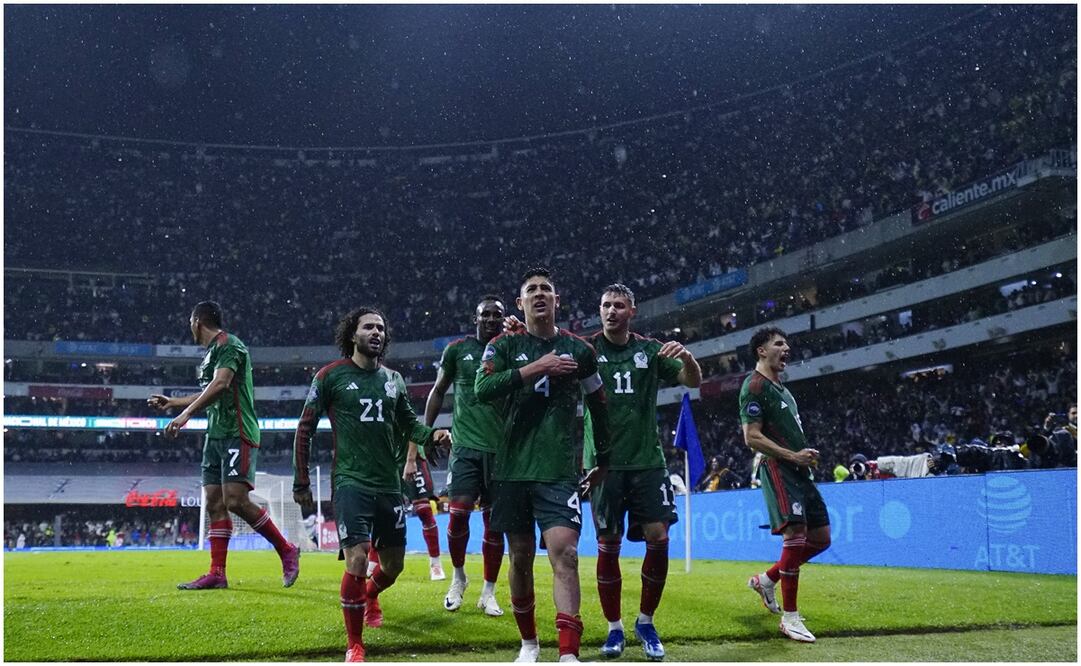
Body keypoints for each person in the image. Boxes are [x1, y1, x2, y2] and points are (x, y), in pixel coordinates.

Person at [292, 306, 450, 663]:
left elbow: (411, 425)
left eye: (380, 328)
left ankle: (371, 595)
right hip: (350, 482)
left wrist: (434, 434)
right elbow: (305, 428)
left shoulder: (394, 380)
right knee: (358, 559)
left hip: (389, 485)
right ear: (352, 335)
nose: (376, 333)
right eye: (368, 327)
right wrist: (301, 481)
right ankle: (355, 645)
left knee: (392, 567)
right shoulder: (329, 377)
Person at [475, 267, 612, 663]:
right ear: (520, 303)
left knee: (565, 554)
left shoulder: (581, 351)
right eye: (531, 290)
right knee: (519, 558)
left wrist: (603, 459)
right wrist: (538, 367)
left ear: (557, 301)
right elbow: (481, 390)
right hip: (511, 470)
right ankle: (529, 644)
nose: (539, 294)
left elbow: (599, 407)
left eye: (546, 290)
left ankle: (568, 653)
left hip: (558, 472)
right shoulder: (500, 346)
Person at [580, 283, 701, 661]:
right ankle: (614, 629)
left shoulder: (649, 350)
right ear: (599, 310)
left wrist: (688, 356)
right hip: (604, 465)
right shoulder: (586, 350)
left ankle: (645, 622)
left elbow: (692, 380)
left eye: (618, 305)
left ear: (632, 311)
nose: (611, 311)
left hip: (648, 462)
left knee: (659, 538)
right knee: (608, 546)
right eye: (605, 305)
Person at [149, 301, 299, 590]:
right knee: (215, 503)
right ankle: (217, 572)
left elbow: (221, 385)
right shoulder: (210, 355)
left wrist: (185, 414)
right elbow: (209, 389)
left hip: (237, 432)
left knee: (235, 501)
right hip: (216, 435)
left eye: (189, 324)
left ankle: (286, 549)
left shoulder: (230, 344)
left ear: (197, 323)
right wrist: (173, 403)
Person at [740, 326, 830, 643]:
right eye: (779, 343)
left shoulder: (784, 391)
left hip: (800, 470)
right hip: (779, 468)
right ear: (761, 351)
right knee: (795, 536)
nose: (786, 348)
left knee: (821, 539)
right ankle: (790, 619)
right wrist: (793, 455)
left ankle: (767, 579)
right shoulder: (754, 386)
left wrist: (803, 455)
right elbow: (751, 437)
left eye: (787, 342)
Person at [425, 295, 508, 617]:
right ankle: (458, 577)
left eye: (496, 315)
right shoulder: (458, 350)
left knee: (494, 525)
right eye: (485, 314)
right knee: (458, 513)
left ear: (503, 318)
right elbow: (438, 391)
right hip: (465, 448)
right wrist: (425, 435)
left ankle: (489, 591)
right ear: (475, 318)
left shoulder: (510, 349)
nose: (490, 319)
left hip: (501, 450)